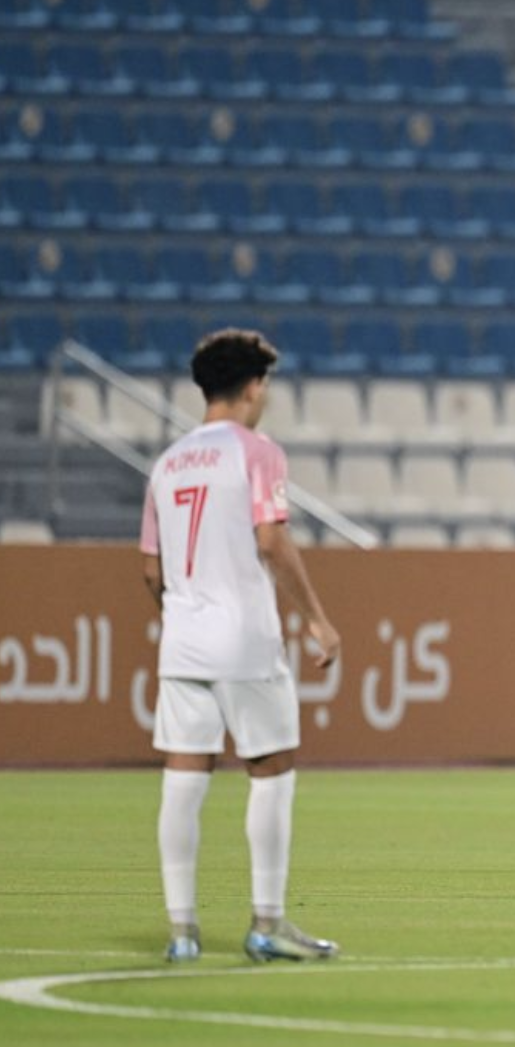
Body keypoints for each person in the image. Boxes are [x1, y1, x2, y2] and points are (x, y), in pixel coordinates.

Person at [140, 328, 342, 962]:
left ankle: (182, 933)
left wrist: (185, 615)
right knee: (272, 770)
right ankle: (267, 923)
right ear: (254, 387)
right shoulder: (258, 452)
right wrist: (316, 619)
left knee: (184, 778)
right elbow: (271, 540)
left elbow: (151, 570)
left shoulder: (167, 463)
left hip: (183, 642)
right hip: (245, 640)